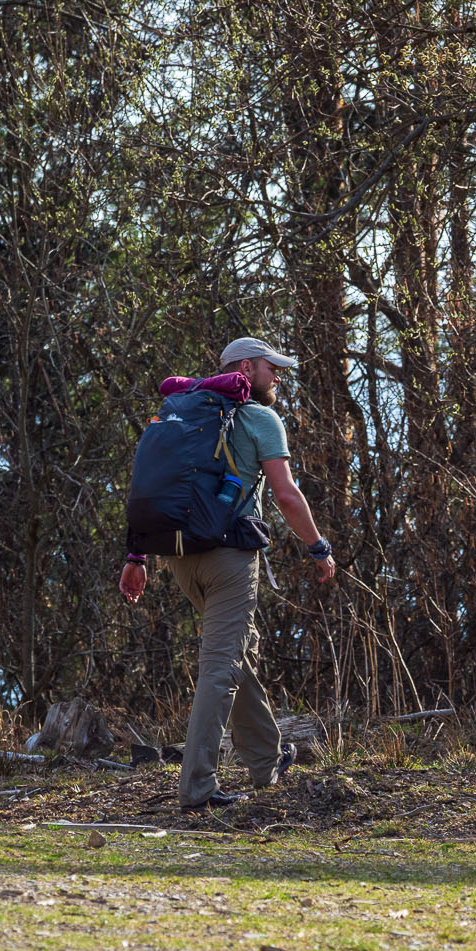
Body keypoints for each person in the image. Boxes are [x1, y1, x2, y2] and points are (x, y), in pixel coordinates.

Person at [119, 337, 337, 810]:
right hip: (230, 558)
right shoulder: (260, 418)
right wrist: (318, 547)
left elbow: (148, 485)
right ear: (244, 367)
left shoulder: (179, 413)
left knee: (238, 653)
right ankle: (197, 787)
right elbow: (285, 496)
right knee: (221, 667)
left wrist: (135, 558)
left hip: (179, 557)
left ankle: (265, 761)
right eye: (270, 368)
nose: (277, 377)